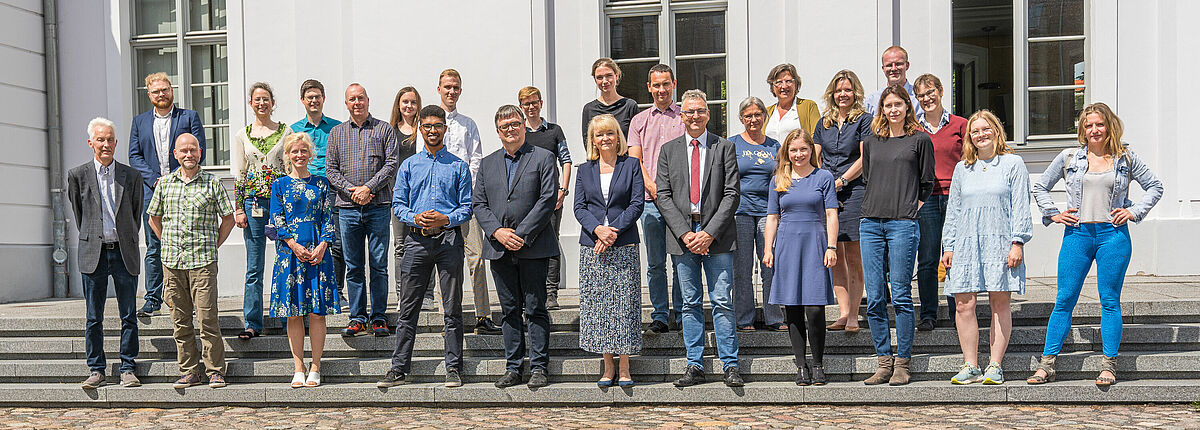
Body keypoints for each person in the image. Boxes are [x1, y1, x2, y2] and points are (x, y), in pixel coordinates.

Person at [1028, 102, 1163, 386]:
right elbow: (1039, 186)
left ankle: (1109, 366)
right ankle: (1046, 365)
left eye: (1099, 124)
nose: (1094, 130)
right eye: (1088, 126)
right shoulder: (1069, 157)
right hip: (1077, 235)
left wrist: (1134, 211)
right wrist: (1053, 213)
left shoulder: (1125, 159)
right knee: (1064, 299)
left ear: (1109, 126)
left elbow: (1155, 186)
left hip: (1113, 236)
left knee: (1110, 301)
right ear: (1082, 130)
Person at [377, 105, 473, 389]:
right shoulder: (409, 165)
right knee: (408, 308)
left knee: (452, 307)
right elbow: (399, 205)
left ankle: (453, 367)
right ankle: (398, 368)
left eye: (437, 126)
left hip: (448, 240)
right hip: (416, 241)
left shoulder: (458, 166)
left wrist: (447, 218)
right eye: (427, 126)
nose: (432, 130)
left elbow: (467, 207)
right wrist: (413, 217)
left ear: (445, 129)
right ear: (421, 128)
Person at [656, 89, 743, 388]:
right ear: (682, 116)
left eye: (700, 111)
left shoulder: (724, 147)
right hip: (682, 237)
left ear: (708, 114)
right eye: (689, 111)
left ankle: (730, 364)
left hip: (717, 237)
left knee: (722, 301)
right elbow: (663, 196)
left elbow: (732, 194)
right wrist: (685, 232)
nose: (695, 116)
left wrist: (708, 232)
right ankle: (695, 364)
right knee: (690, 304)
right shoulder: (668, 150)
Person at [940, 110, 1031, 385]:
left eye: (985, 129)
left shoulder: (1012, 164)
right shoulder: (962, 169)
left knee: (998, 302)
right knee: (963, 304)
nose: (981, 134)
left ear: (996, 130)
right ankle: (970, 364)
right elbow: (953, 210)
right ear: (969, 137)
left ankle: (994, 364)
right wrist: (949, 245)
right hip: (966, 243)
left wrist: (1018, 242)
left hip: (999, 242)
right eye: (975, 131)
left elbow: (1021, 207)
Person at [474, 105, 559, 389]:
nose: (510, 129)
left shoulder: (544, 158)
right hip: (499, 249)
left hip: (533, 246)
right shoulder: (487, 164)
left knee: (535, 308)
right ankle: (513, 367)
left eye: (514, 124)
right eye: (504, 126)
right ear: (497, 132)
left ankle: (538, 367)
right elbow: (479, 204)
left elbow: (547, 199)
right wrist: (498, 232)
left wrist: (520, 234)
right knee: (509, 310)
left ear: (524, 125)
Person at [858, 84, 935, 386]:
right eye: (887, 105)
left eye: (897, 105)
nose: (892, 110)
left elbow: (926, 182)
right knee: (876, 297)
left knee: (901, 294)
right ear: (882, 109)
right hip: (871, 224)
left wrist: (910, 209)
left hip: (903, 223)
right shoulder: (871, 142)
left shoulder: (920, 140)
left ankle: (903, 362)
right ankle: (883, 361)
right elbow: (868, 177)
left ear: (907, 107)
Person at [146, 133, 235, 389]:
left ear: (199, 152)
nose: (188, 155)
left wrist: (213, 243)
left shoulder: (212, 183)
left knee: (207, 318)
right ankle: (189, 371)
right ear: (175, 154)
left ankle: (215, 370)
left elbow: (227, 218)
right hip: (172, 263)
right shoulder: (164, 184)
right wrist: (167, 242)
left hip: (203, 262)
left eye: (193, 150)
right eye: (183, 150)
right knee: (180, 321)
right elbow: (154, 218)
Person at [69, 117, 145, 389]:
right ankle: (96, 368)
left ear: (115, 142)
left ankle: (127, 367)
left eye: (110, 139)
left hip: (124, 251)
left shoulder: (131, 175)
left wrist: (122, 236)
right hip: (94, 253)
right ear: (91, 143)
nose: (105, 144)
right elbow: (81, 215)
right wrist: (94, 237)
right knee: (94, 317)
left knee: (128, 315)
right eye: (100, 139)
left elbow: (135, 215)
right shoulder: (77, 175)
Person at [762, 128, 839, 387]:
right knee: (792, 308)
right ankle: (801, 366)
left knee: (815, 308)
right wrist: (768, 249)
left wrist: (832, 247)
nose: (798, 154)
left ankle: (818, 363)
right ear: (787, 152)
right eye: (793, 150)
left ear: (811, 151)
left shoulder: (824, 177)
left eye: (803, 149)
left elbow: (831, 214)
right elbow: (772, 217)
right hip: (787, 243)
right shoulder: (779, 179)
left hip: (815, 243)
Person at [574, 114, 644, 388]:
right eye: (599, 135)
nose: (605, 139)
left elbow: (636, 204)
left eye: (609, 133)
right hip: (593, 248)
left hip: (623, 244)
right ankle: (608, 365)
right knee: (600, 307)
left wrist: (611, 231)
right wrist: (598, 231)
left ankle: (625, 365)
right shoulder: (584, 169)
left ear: (618, 137)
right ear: (592, 140)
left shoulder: (632, 165)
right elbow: (579, 207)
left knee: (624, 306)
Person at [128, 72, 206, 317]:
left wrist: (174, 177)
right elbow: (134, 156)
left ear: (171, 90)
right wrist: (155, 179)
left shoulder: (189, 117)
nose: (161, 94)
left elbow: (198, 148)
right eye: (156, 91)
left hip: (184, 188)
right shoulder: (139, 122)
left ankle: (189, 302)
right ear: (148, 94)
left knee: (186, 243)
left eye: (165, 90)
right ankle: (152, 299)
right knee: (154, 246)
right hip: (152, 191)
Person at [326, 83, 399, 338]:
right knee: (353, 265)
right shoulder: (336, 133)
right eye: (351, 99)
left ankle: (379, 317)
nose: (357, 103)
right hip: (346, 209)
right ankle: (357, 317)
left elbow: (391, 164)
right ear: (346, 104)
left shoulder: (384, 130)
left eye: (361, 98)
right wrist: (353, 190)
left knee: (379, 265)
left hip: (378, 207)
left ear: (368, 100)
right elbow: (331, 170)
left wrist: (368, 188)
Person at [269, 132, 340, 388]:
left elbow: (328, 217)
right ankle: (298, 365)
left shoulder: (321, 183)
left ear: (310, 154)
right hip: (290, 255)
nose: (299, 155)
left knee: (317, 313)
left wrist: (323, 244)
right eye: (294, 151)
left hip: (318, 255)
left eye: (303, 151)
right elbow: (277, 219)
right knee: (294, 314)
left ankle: (316, 366)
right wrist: (292, 244)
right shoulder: (279, 185)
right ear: (287, 155)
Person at [436, 69, 501, 335]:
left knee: (476, 259)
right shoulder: (428, 123)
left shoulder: (468, 124)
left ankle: (482, 316)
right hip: (440, 203)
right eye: (447, 87)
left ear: (460, 91)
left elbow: (476, 159)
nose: (451, 92)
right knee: (444, 261)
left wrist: (465, 189)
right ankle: (446, 317)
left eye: (456, 87)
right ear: (438, 88)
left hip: (467, 202)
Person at [230, 82, 291, 340]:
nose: (262, 103)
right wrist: (238, 208)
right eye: (257, 99)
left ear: (272, 102)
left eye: (266, 99)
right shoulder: (242, 135)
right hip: (253, 203)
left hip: (280, 203)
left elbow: (290, 168)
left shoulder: (285, 131)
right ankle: (252, 322)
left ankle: (289, 317)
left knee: (285, 259)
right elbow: (239, 174)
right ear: (251, 103)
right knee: (254, 266)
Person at [627, 63, 685, 334]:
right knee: (655, 263)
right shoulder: (639, 121)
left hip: (681, 204)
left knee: (682, 260)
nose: (661, 89)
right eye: (656, 85)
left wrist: (673, 195)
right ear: (649, 87)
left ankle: (684, 314)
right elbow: (635, 161)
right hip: (650, 202)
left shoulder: (685, 117)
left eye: (666, 84)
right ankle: (661, 315)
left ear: (674, 84)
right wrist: (653, 188)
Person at [813, 70, 871, 333]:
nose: (843, 94)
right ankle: (843, 311)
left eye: (847, 90)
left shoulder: (865, 120)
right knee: (834, 254)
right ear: (832, 94)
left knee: (854, 257)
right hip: (827, 193)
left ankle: (855, 315)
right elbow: (816, 156)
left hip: (854, 190)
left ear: (855, 92)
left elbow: (864, 158)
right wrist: (821, 182)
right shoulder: (823, 123)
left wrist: (842, 181)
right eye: (838, 90)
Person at [913, 73, 967, 331]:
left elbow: (971, 160)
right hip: (927, 199)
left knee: (956, 255)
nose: (927, 98)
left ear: (941, 91)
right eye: (921, 95)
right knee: (927, 257)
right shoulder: (914, 128)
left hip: (957, 199)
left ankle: (959, 311)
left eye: (930, 92)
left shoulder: (960, 125)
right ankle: (928, 313)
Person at [729, 96, 784, 332]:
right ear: (741, 119)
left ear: (764, 116)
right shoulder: (731, 145)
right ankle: (744, 319)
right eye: (748, 116)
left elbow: (783, 178)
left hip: (768, 213)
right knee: (741, 267)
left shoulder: (774, 146)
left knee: (770, 264)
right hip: (740, 212)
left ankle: (775, 316)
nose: (753, 119)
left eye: (757, 115)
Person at [290, 79, 346, 300]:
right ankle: (309, 290)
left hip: (332, 188)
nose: (314, 100)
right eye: (309, 97)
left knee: (335, 242)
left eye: (317, 96)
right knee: (307, 240)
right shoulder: (293, 130)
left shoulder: (337, 127)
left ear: (323, 99)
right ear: (302, 100)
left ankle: (337, 291)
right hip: (304, 190)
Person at [519, 86, 573, 310]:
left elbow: (566, 160)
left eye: (534, 102)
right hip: (526, 200)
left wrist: (563, 190)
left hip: (552, 197)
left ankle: (551, 293)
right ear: (522, 107)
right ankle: (530, 291)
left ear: (541, 103)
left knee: (551, 243)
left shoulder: (554, 130)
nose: (531, 107)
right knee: (525, 243)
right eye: (526, 104)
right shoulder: (519, 131)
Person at [387, 86, 436, 312]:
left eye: (413, 102)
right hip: (400, 197)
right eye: (405, 102)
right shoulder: (390, 131)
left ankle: (427, 294)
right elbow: (387, 165)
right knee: (401, 247)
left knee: (429, 242)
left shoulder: (424, 129)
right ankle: (403, 295)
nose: (409, 106)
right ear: (398, 104)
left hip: (423, 196)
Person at [581, 58, 640, 144]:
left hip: (626, 157)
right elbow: (588, 143)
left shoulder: (629, 106)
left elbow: (636, 141)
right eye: (599, 77)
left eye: (608, 76)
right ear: (595, 80)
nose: (604, 81)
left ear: (616, 76)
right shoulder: (589, 109)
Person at [762, 63, 821, 143]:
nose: (784, 86)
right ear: (772, 87)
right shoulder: (767, 111)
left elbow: (817, 139)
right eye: (779, 82)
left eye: (788, 81)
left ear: (796, 85)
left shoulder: (809, 106)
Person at [864, 46, 922, 116]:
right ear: (883, 68)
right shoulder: (872, 101)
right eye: (889, 65)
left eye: (898, 64)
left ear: (907, 65)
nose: (894, 69)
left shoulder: (919, 97)